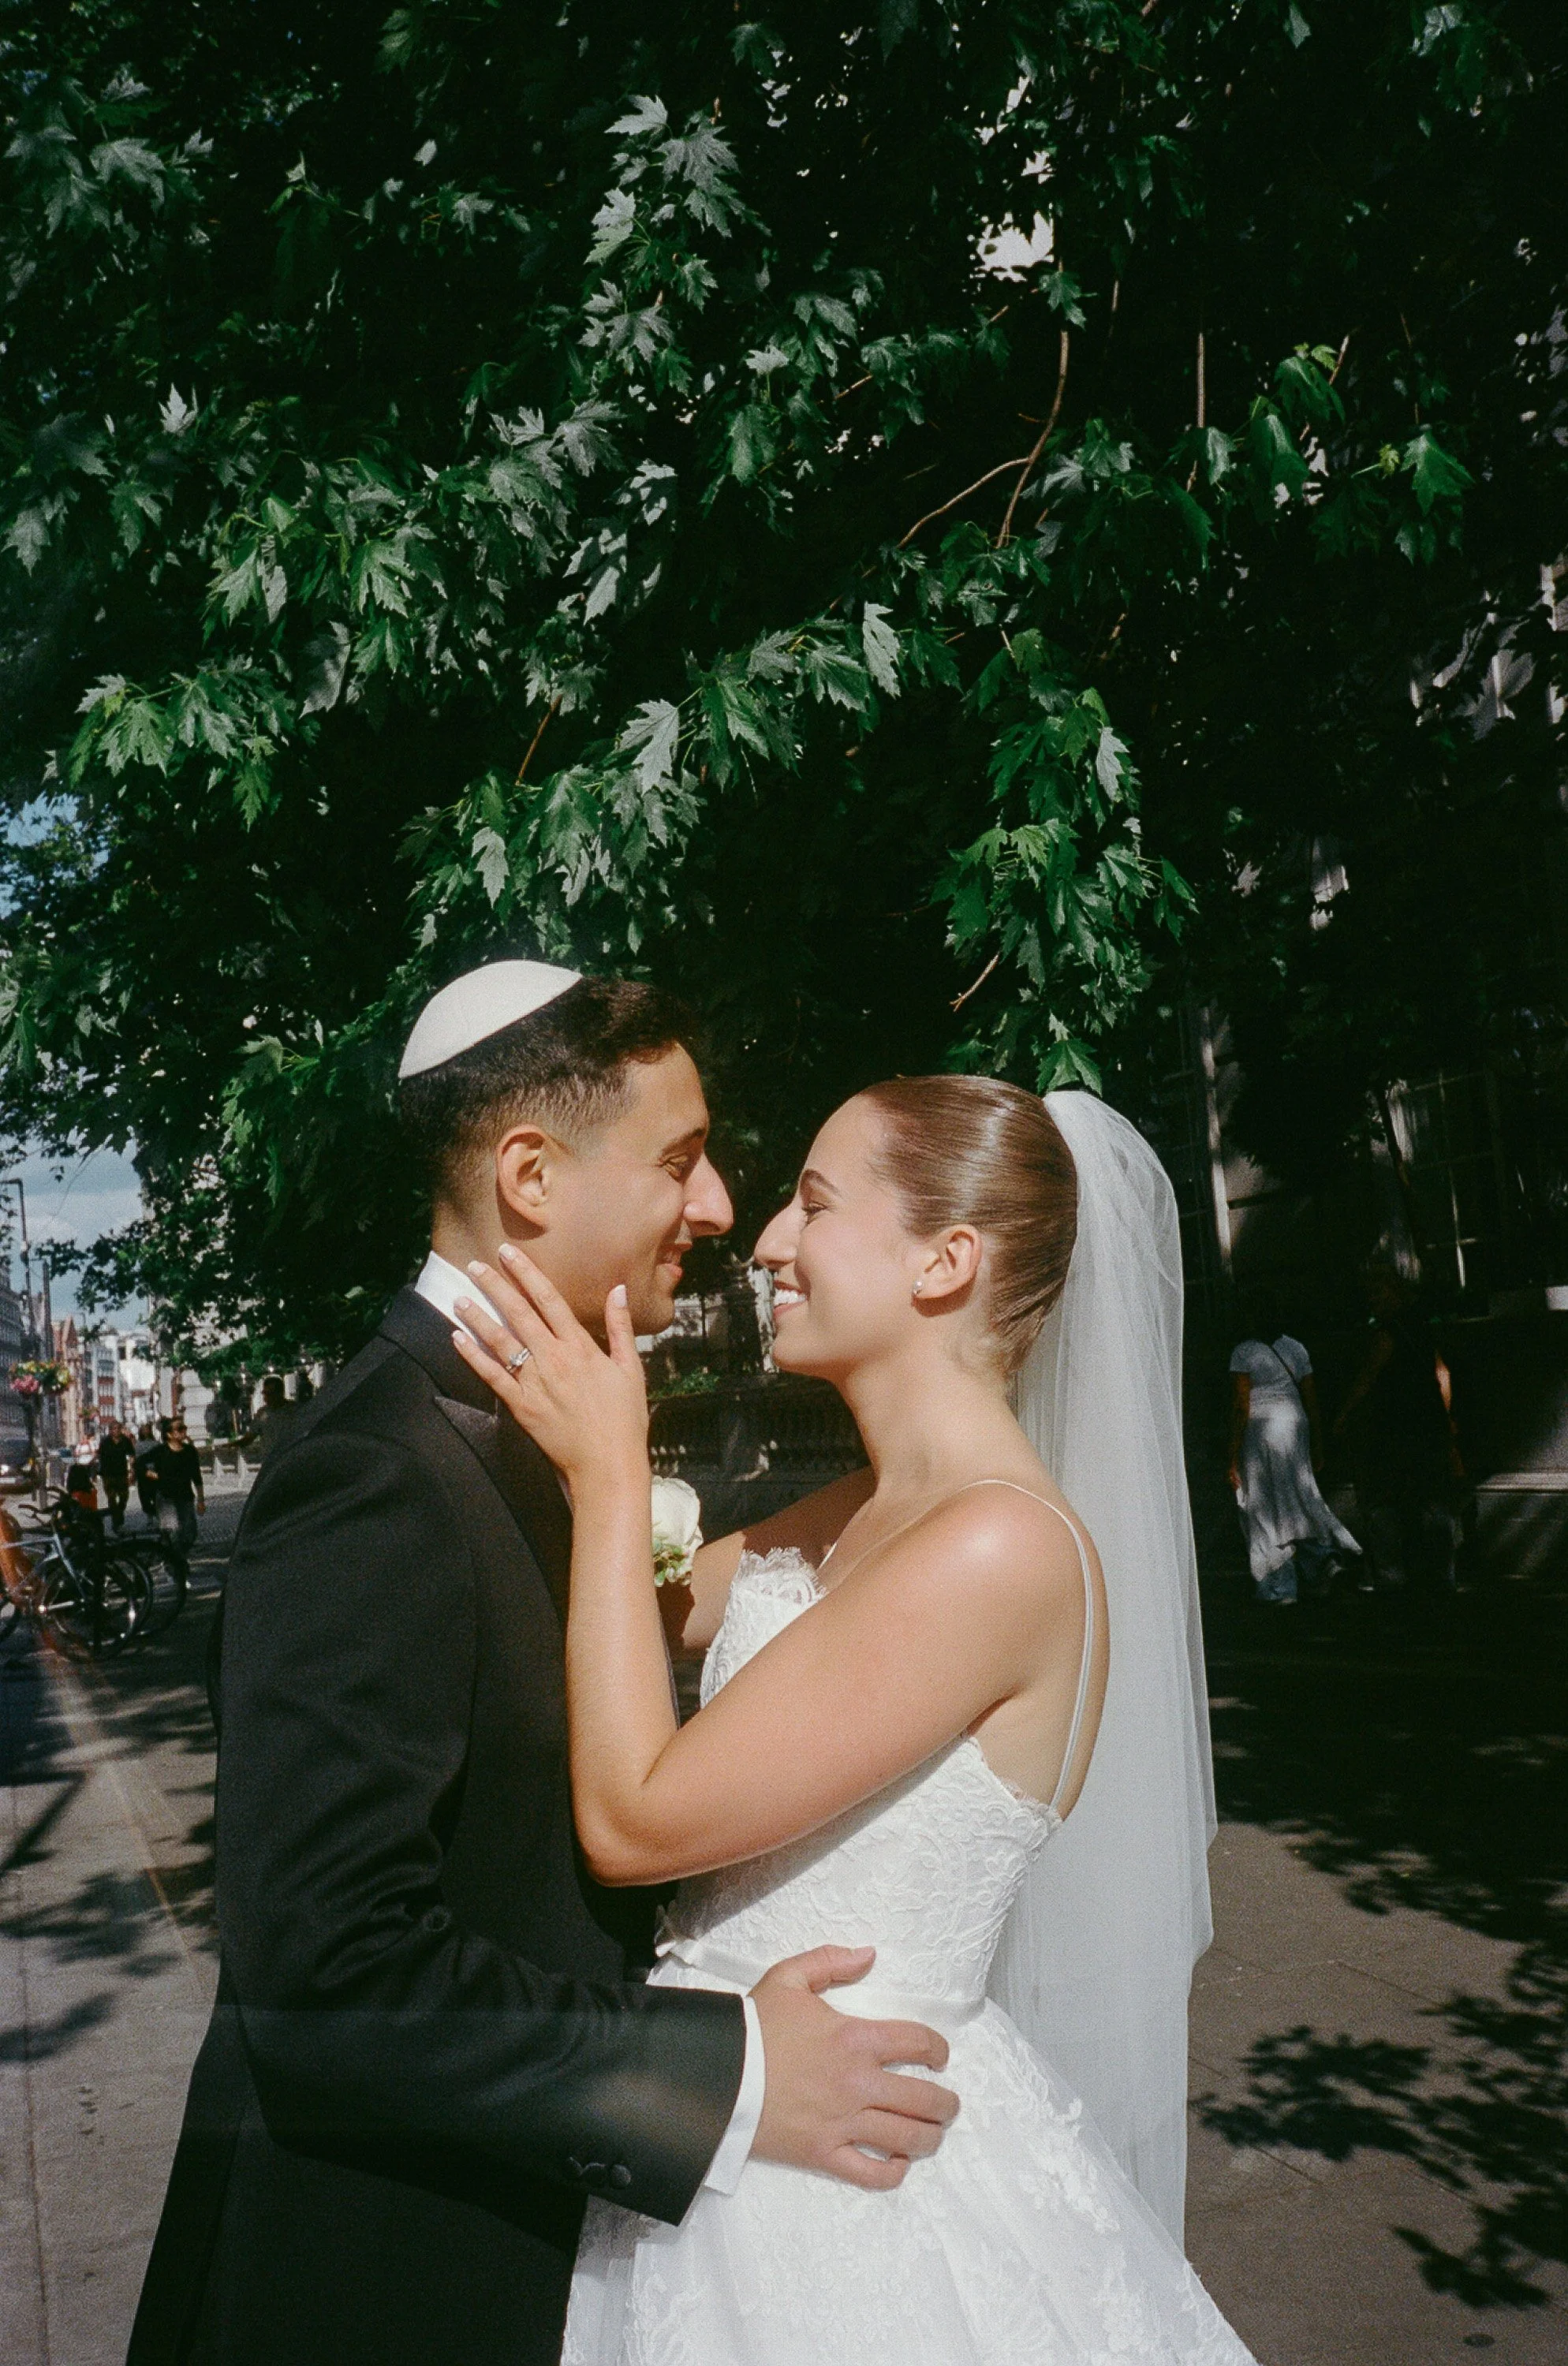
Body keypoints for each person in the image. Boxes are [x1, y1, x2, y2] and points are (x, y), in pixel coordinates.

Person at [131, 963, 958, 2366]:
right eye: (681, 1162)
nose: (713, 1209)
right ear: (529, 1173)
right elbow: (329, 1971)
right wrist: (730, 2068)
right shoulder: (372, 1469)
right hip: (383, 2280)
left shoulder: (548, 1426)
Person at [458, 1075, 1254, 2365]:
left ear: (944, 1261)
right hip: (731, 2117)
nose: (767, 1239)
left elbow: (631, 1817)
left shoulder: (999, 1548)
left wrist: (613, 1481)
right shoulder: (849, 1514)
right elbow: (638, 1620)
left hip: (847, 2184)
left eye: (813, 1204)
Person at [1335, 1268, 1464, 1593]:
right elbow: (1442, 1373)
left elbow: (1367, 1379)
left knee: (1384, 1501)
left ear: (1391, 1292)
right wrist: (1445, 1418)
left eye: (1376, 1295)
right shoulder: (1420, 1326)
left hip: (1396, 1429)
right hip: (1430, 1424)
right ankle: (1442, 1576)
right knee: (1434, 1500)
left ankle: (1391, 1576)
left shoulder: (1387, 1333)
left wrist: (1343, 1416)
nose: (1373, 1303)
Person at [1226, 1304, 1360, 1604]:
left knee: (1264, 1505)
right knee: (1301, 1496)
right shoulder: (1295, 1348)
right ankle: (1325, 1561)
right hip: (1295, 1425)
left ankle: (1279, 1584)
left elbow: (1240, 1403)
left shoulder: (1243, 1352)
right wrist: (1317, 1444)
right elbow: (1311, 1399)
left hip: (1261, 1430)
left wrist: (1232, 1454)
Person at [143, 1415, 206, 1563]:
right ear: (169, 1434)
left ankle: (174, 1556)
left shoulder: (190, 1451)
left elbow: (196, 1476)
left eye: (184, 1428)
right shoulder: (160, 1451)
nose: (184, 1431)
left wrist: (201, 1500)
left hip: (185, 1497)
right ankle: (177, 1564)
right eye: (180, 1429)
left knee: (190, 1533)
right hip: (166, 1498)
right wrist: (151, 1474)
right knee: (173, 1533)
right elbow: (140, 1464)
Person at [247, 1373, 300, 1461]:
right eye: (264, 1394)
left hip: (290, 1459)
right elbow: (250, 1437)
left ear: (280, 1393)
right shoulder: (262, 1413)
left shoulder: (294, 1410)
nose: (265, 1398)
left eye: (269, 1394)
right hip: (270, 1461)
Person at [97, 1416, 135, 1532]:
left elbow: (131, 1455)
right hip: (108, 1474)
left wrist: (131, 1469)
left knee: (124, 1497)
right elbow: (100, 1456)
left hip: (122, 1473)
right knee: (112, 1498)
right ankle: (116, 1521)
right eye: (114, 1429)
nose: (116, 1431)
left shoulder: (125, 1441)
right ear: (110, 1430)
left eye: (118, 1429)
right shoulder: (105, 1442)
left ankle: (119, 1514)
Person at [133, 1421, 159, 1521]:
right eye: (144, 1430)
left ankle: (155, 1515)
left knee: (155, 1496)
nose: (146, 1431)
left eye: (147, 1429)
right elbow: (136, 1460)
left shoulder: (155, 1444)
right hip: (142, 1474)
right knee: (145, 1498)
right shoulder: (138, 1445)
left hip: (154, 1472)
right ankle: (151, 1514)